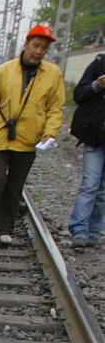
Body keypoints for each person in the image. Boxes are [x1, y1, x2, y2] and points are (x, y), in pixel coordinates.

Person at [0, 23, 65, 244]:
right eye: (35, 45)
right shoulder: (4, 71)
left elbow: (55, 107)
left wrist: (50, 131)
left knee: (14, 187)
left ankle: (6, 229)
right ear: (26, 44)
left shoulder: (52, 74)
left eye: (44, 48)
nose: (38, 51)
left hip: (27, 139)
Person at [67, 51, 105, 248]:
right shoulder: (98, 64)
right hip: (95, 137)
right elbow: (79, 95)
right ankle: (79, 230)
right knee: (90, 184)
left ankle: (94, 231)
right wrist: (96, 86)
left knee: (102, 189)